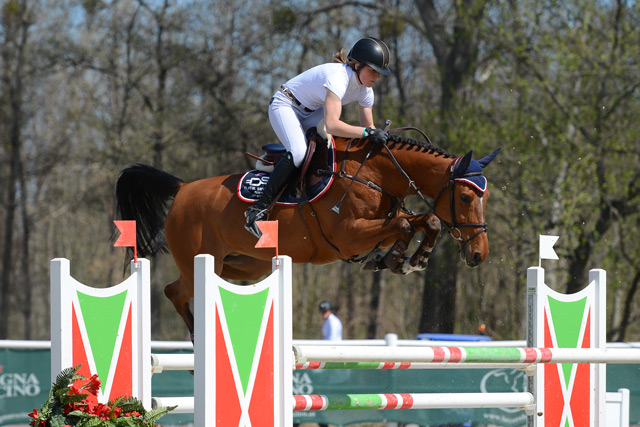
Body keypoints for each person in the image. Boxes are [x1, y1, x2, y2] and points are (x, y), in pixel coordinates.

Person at [244, 36, 392, 238]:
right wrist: (367, 132)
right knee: (299, 152)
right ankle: (256, 211)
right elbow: (332, 124)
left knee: (329, 146)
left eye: (380, 72)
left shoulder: (367, 91)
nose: (377, 76)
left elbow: (369, 129)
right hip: (285, 104)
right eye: (373, 70)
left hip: (310, 111)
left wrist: (381, 139)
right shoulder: (338, 77)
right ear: (357, 66)